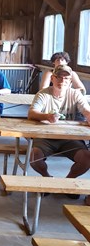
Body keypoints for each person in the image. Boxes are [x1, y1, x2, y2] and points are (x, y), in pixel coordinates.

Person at [28, 65, 90, 200]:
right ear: (52, 78)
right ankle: (47, 178)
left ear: (70, 81)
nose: (62, 81)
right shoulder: (43, 94)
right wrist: (46, 116)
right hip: (45, 137)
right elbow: (32, 113)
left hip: (70, 137)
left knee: (86, 158)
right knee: (34, 158)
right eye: (59, 77)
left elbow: (86, 110)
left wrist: (89, 116)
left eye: (66, 78)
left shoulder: (75, 94)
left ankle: (67, 182)